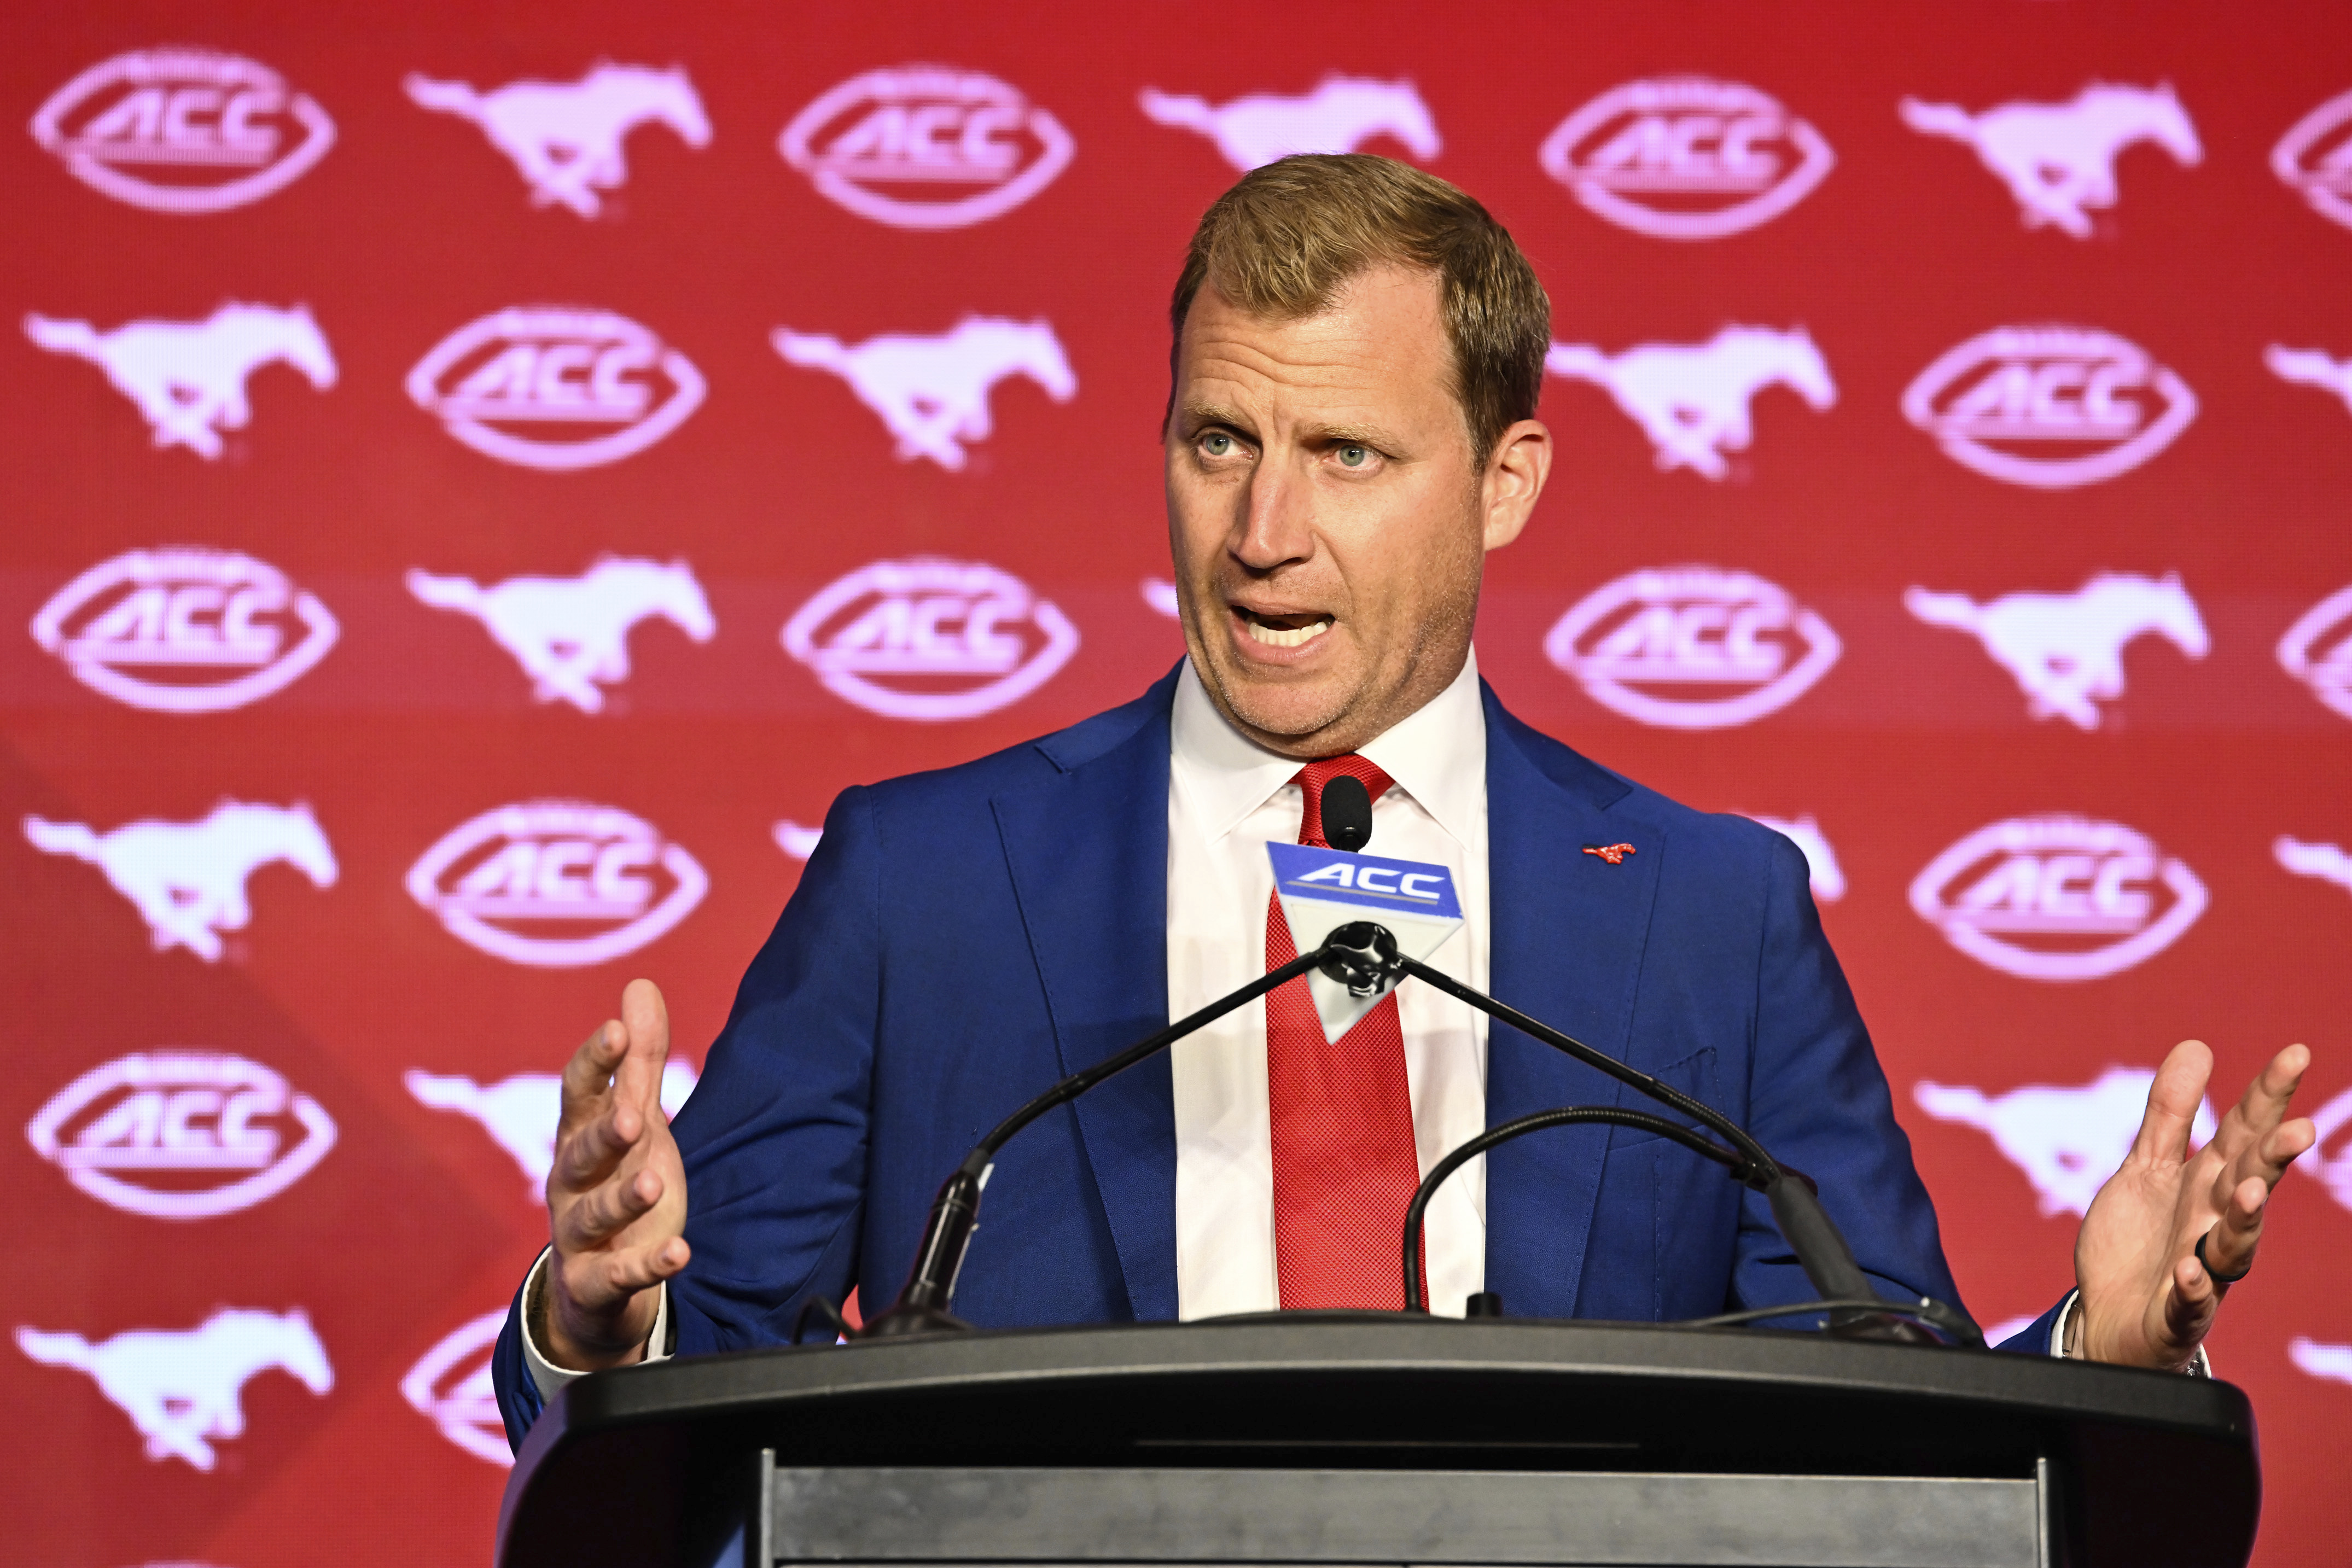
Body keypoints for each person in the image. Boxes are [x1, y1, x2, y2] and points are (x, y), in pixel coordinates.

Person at [493, 154, 2316, 1446]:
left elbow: (1874, 1393)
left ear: (1504, 480)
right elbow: (675, 1394)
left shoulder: (1710, 911)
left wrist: (2099, 1348)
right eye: (1219, 441)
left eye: (1345, 453)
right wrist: (598, 1308)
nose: (1262, 532)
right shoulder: (925, 878)